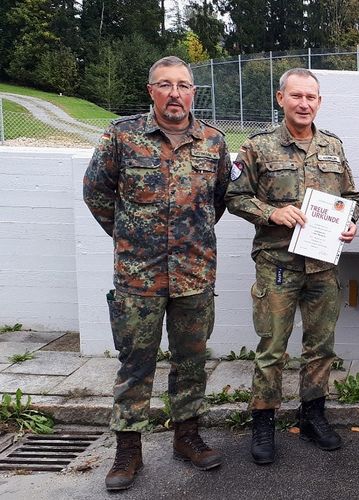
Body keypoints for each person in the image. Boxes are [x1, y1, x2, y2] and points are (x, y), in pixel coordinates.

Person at [83, 56, 230, 491]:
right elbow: (96, 192)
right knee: (135, 364)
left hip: (194, 274)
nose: (175, 94)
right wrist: (130, 234)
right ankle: (128, 451)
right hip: (138, 277)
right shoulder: (121, 136)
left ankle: (187, 437)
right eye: (165, 85)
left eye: (183, 85)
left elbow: (218, 200)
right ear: (152, 91)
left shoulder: (213, 142)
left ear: (193, 93)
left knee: (191, 362)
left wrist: (190, 238)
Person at [225, 68, 359, 465]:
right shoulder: (257, 146)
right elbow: (235, 196)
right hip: (278, 265)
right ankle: (264, 421)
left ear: (319, 102)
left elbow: (350, 194)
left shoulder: (333, 146)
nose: (304, 104)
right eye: (297, 96)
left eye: (311, 98)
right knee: (273, 348)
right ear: (281, 98)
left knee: (320, 347)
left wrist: (349, 222)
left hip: (322, 267)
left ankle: (312, 413)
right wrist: (272, 213)